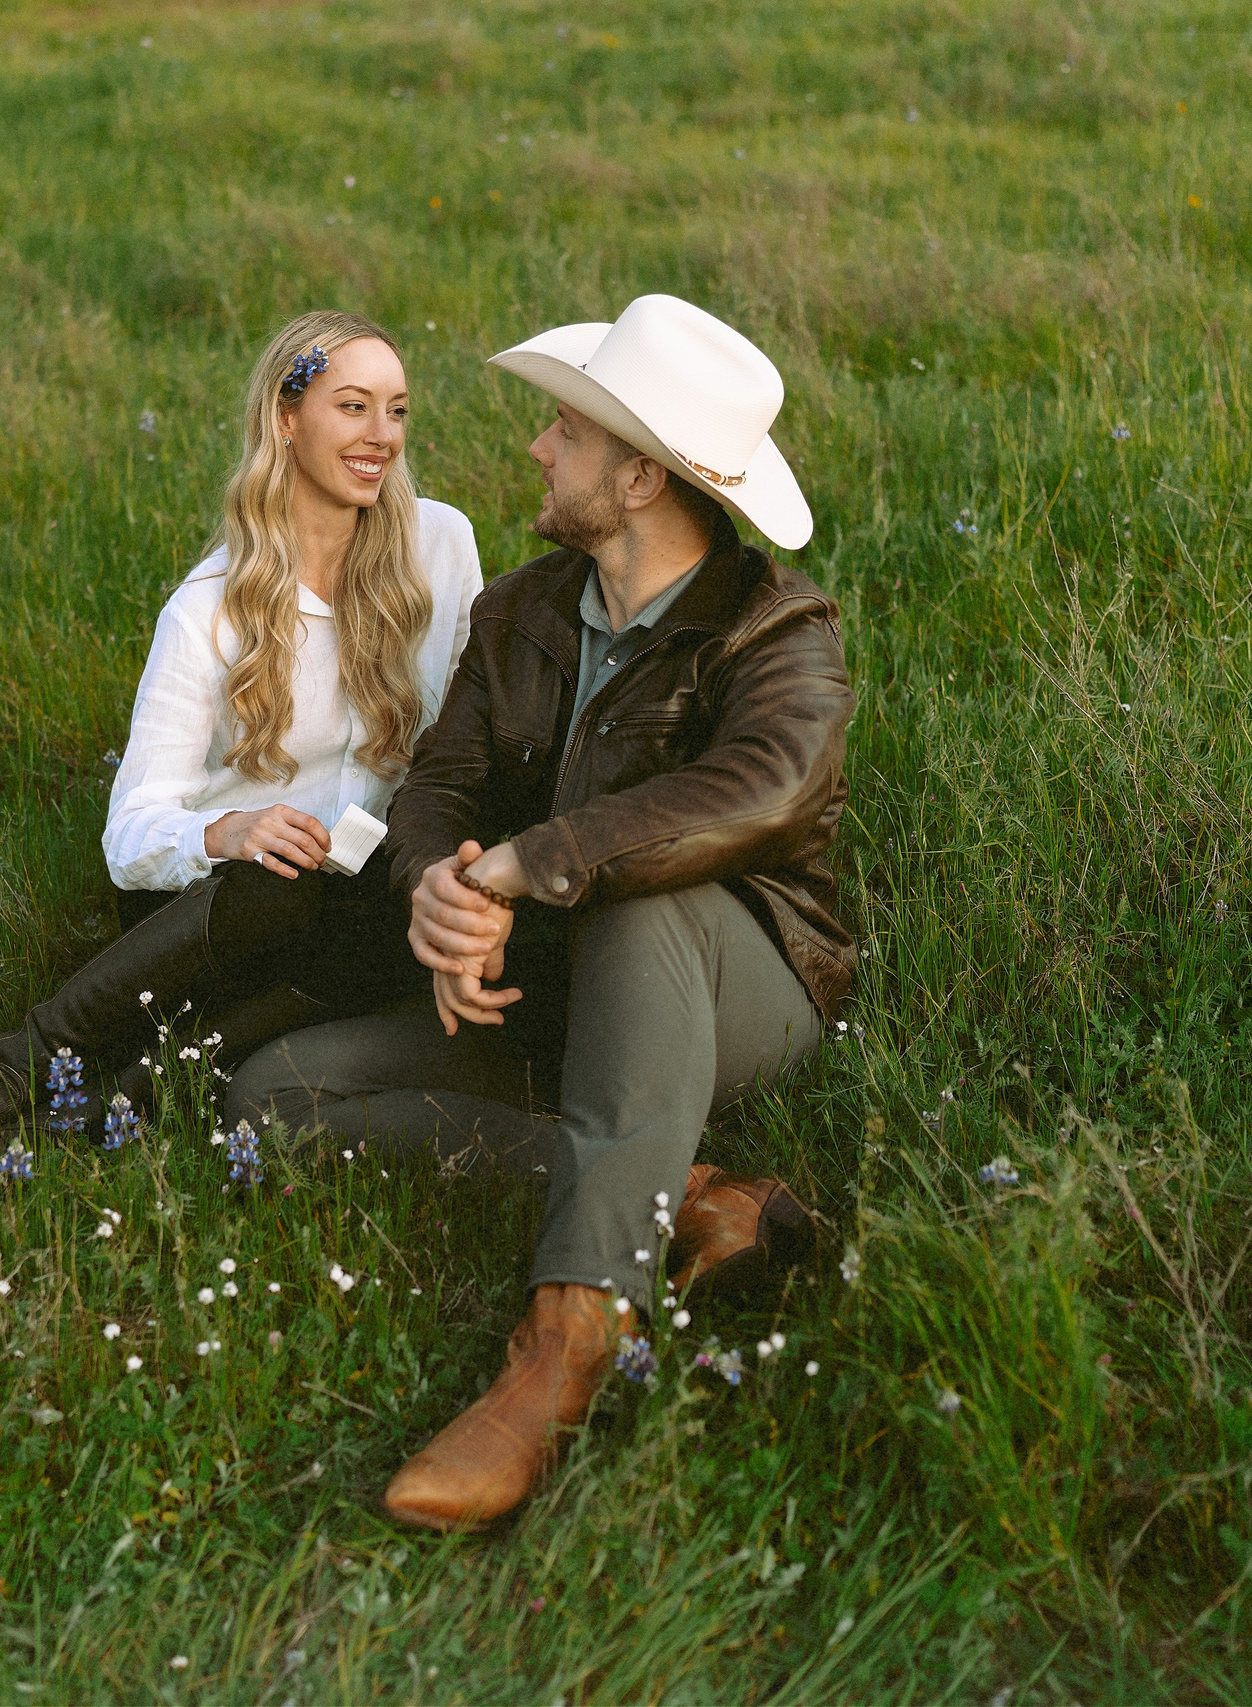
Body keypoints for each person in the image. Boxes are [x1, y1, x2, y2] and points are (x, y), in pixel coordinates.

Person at [226, 295, 855, 1531]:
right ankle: (696, 1193)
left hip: (733, 987)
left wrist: (529, 864)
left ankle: (563, 1346)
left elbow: (759, 794)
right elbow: (442, 784)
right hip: (549, 990)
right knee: (272, 1099)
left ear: (633, 477)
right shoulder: (518, 609)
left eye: (562, 431)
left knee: (643, 901)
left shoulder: (779, 629)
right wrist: (439, 898)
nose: (536, 449)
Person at [0, 311, 483, 1161]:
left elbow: (471, 729)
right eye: (353, 407)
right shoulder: (209, 607)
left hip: (360, 901)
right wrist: (227, 830)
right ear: (287, 417)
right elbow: (130, 830)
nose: (381, 436)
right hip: (218, 908)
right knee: (280, 884)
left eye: (397, 410)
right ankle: (9, 1069)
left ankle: (90, 1120)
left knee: (377, 922)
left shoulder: (442, 544)